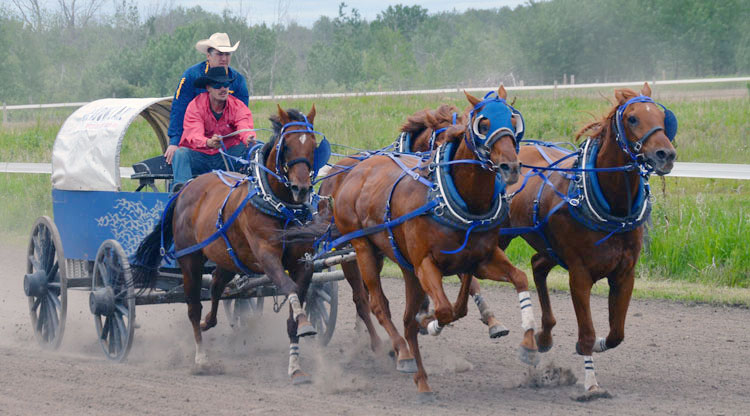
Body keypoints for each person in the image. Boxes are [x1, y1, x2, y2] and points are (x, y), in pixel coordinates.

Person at [165, 32, 250, 165]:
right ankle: (179, 186)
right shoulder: (191, 76)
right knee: (179, 156)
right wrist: (174, 142)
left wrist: (246, 138)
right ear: (208, 55)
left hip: (227, 145)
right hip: (197, 144)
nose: (224, 58)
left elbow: (242, 115)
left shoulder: (238, 80)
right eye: (219, 54)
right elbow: (179, 109)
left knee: (256, 152)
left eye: (227, 54)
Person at [171, 66, 256, 191]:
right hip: (201, 157)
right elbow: (193, 134)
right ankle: (180, 194)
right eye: (217, 85)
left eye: (226, 84)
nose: (223, 89)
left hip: (227, 156)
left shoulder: (237, 106)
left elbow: (244, 125)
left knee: (256, 148)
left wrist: (248, 138)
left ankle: (256, 191)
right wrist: (208, 142)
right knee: (180, 153)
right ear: (208, 88)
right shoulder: (195, 106)